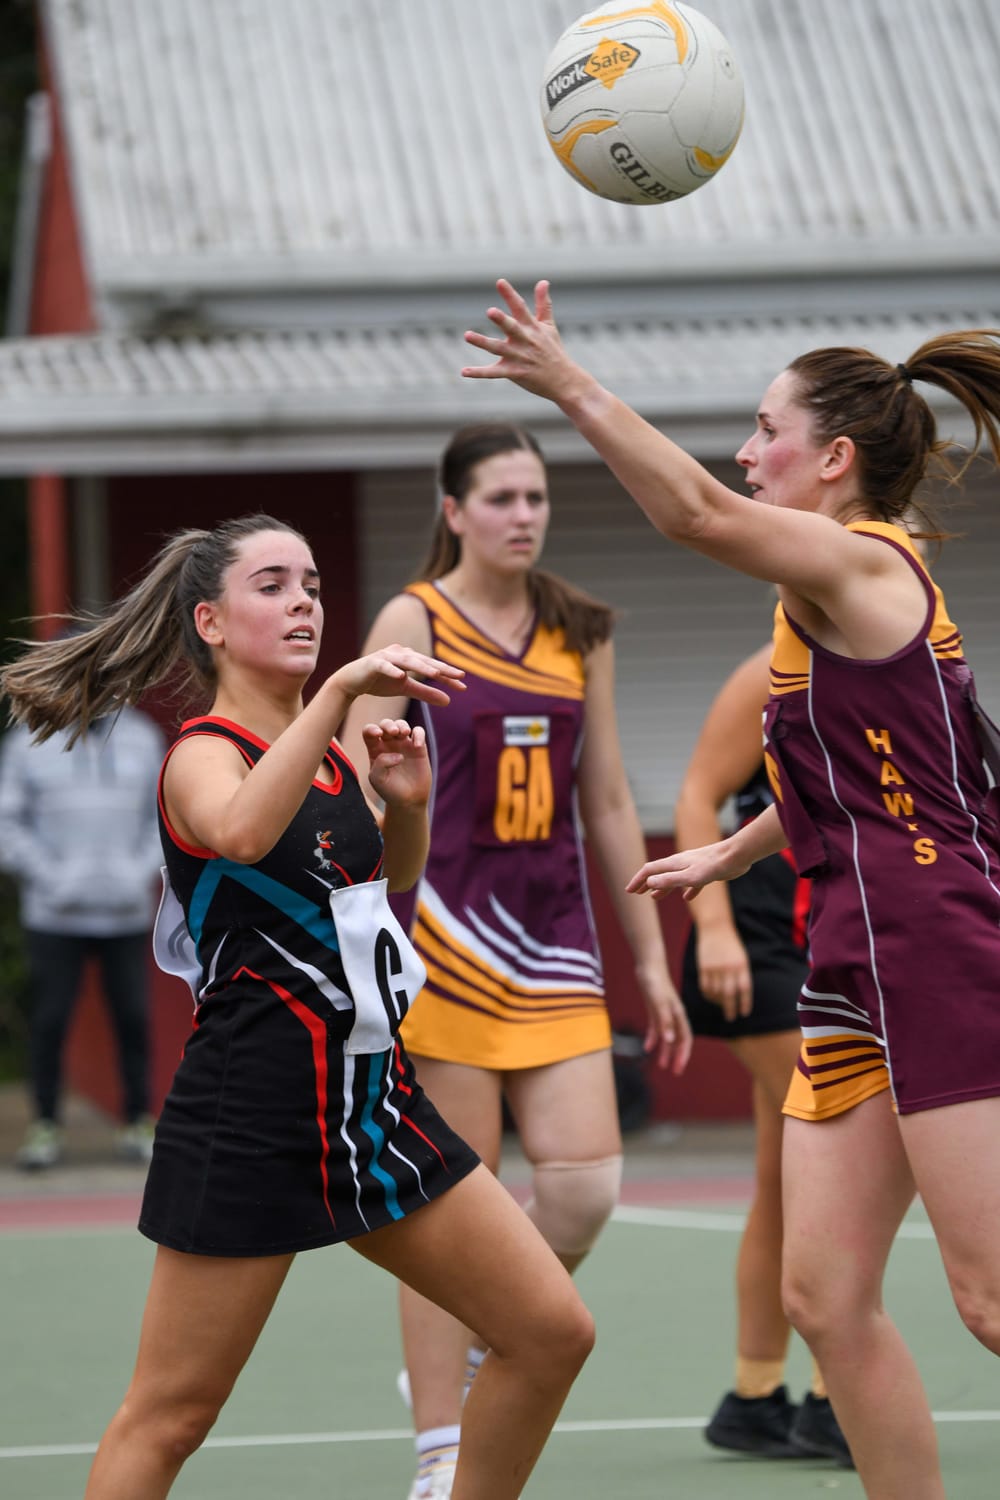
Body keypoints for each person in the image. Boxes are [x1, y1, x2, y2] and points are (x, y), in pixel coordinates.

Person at [461, 281, 1000, 1500]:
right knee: (823, 1294)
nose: (747, 454)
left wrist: (568, 385)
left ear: (835, 459)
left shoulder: (861, 561)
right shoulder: (817, 599)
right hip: (854, 956)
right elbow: (870, 777)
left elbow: (696, 513)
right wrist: (731, 854)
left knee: (986, 1300)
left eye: (767, 431)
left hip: (935, 946)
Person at [0, 513, 595, 1500]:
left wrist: (406, 805)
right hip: (255, 1109)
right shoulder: (201, 753)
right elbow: (238, 832)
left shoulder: (328, 758)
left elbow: (380, 889)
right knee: (172, 1415)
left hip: (372, 1102)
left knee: (550, 1333)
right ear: (211, 623)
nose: (303, 604)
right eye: (272, 585)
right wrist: (344, 693)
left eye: (312, 585)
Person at [340, 422, 691, 1500]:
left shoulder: (579, 626)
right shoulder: (413, 619)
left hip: (555, 945)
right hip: (439, 943)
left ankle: (490, 1338)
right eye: (500, 497)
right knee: (455, 1204)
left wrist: (652, 958)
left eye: (535, 496)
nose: (523, 515)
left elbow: (608, 798)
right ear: (453, 511)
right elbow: (351, 775)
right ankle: (438, 1448)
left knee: (584, 1190)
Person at [675, 643, 850, 1465]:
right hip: (755, 942)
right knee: (837, 1157)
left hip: (820, 939)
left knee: (786, 1178)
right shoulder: (773, 667)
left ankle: (754, 1396)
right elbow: (696, 796)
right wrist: (712, 927)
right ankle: (835, 1396)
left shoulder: (891, 660)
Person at [0, 700, 165, 1169]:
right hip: (54, 915)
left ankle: (137, 1122)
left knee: (133, 1018)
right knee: (50, 1020)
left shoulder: (142, 736)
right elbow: (7, 824)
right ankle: (45, 1127)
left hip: (126, 913)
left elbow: (163, 818)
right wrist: (51, 877)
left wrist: (137, 873)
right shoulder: (26, 740)